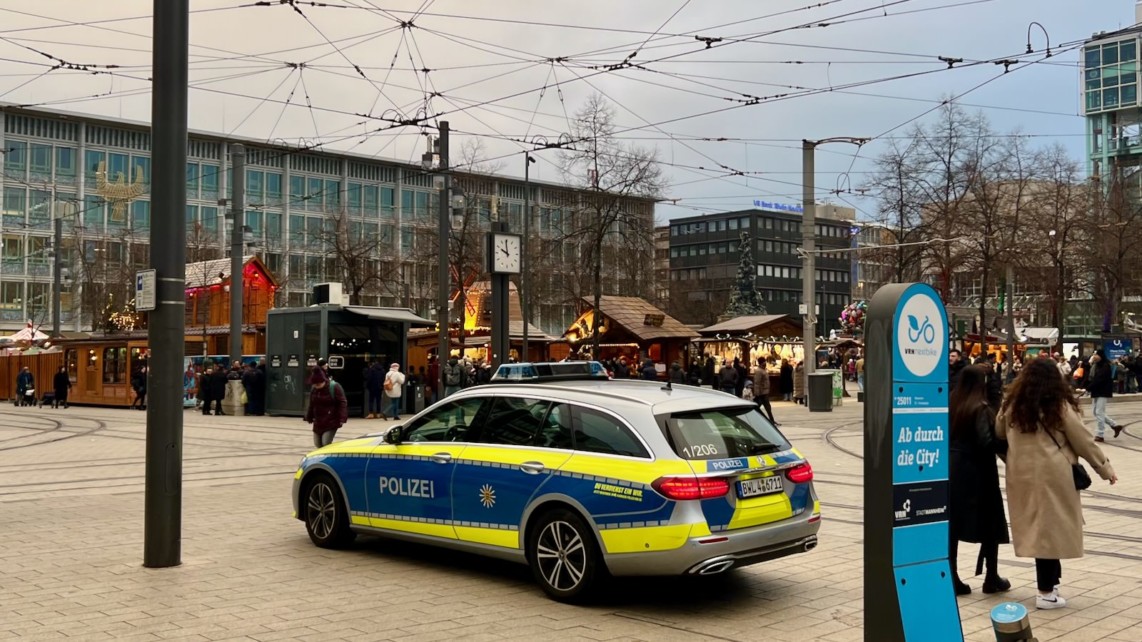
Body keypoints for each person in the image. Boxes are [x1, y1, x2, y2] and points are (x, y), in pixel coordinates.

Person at [997, 358, 1118, 610]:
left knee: (1039, 529)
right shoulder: (1059, 406)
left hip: (1020, 475)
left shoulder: (1011, 404)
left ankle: (1051, 584)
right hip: (1053, 474)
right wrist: (1105, 469)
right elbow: (1084, 441)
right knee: (1049, 531)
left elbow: (998, 433)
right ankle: (1045, 592)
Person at [948, 365, 1009, 596]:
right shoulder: (981, 407)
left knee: (953, 524)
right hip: (978, 471)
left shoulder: (951, 402)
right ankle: (991, 577)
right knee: (991, 522)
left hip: (953, 468)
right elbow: (986, 441)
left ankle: (952, 576)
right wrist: (1007, 448)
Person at [304, 366, 347, 448]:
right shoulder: (314, 389)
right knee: (317, 444)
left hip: (331, 420)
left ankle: (329, 458)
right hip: (318, 421)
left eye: (318, 384)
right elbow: (312, 404)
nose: (316, 386)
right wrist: (309, 416)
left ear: (323, 381)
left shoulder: (334, 387)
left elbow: (342, 403)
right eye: (314, 384)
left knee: (326, 443)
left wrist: (342, 418)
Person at [1087, 350, 1124, 442]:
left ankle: (1100, 434)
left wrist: (1088, 388)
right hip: (1096, 391)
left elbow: (1099, 379)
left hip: (1103, 392)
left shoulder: (1105, 366)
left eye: (1096, 355)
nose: (1094, 356)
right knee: (1096, 412)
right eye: (1093, 355)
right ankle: (1114, 425)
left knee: (1099, 412)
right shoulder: (1096, 365)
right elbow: (1092, 378)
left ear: (1101, 356)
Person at [753, 358, 777, 425]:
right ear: (761, 363)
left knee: (767, 407)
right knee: (758, 407)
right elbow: (757, 383)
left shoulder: (763, 370)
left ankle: (771, 420)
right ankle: (769, 420)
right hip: (761, 393)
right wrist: (757, 393)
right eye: (764, 362)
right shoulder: (759, 371)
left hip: (764, 392)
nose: (765, 363)